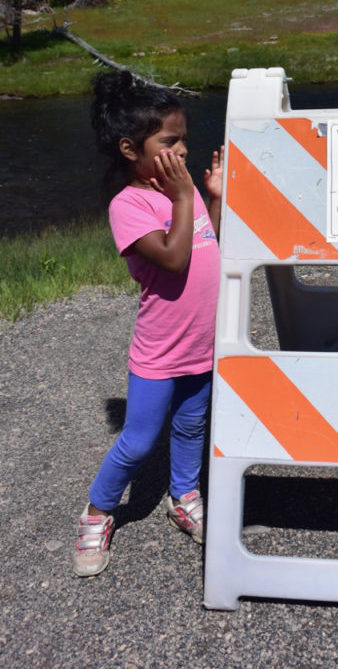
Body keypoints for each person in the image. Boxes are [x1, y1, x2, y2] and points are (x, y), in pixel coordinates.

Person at [74, 70, 223, 576]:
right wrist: (185, 198)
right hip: (160, 353)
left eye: (184, 140)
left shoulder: (186, 193)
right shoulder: (131, 205)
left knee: (191, 426)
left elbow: (207, 242)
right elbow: (174, 259)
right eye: (169, 141)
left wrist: (213, 198)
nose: (182, 151)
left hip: (201, 345)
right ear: (129, 149)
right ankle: (98, 512)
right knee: (138, 441)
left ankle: (184, 495)